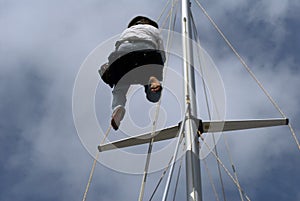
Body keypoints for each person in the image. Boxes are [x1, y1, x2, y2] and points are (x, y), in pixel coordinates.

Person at [99, 16, 166, 130]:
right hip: (146, 50)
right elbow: (161, 52)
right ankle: (151, 79)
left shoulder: (127, 31)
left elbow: (117, 47)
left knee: (120, 86)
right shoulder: (154, 31)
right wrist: (158, 67)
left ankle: (118, 107)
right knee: (150, 85)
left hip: (124, 52)